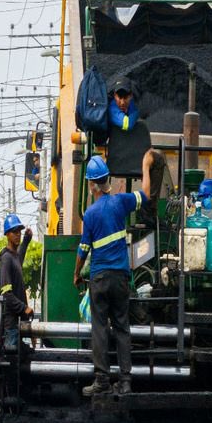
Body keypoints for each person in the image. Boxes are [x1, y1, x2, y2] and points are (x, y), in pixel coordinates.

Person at [74, 151, 158, 396]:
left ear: (92, 185)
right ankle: (125, 381)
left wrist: (76, 274)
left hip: (99, 279)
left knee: (100, 327)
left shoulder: (90, 215)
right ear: (107, 181)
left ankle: (101, 380)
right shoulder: (121, 202)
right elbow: (146, 196)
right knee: (122, 327)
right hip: (121, 278)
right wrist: (145, 166)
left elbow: (83, 250)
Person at [0, 214, 33, 350]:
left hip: (19, 322)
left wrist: (27, 239)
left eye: (19, 231)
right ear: (7, 234)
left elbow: (20, 255)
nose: (17, 234)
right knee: (12, 362)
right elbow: (7, 294)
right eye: (14, 232)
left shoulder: (15, 257)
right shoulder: (6, 258)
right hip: (11, 324)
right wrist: (24, 308)